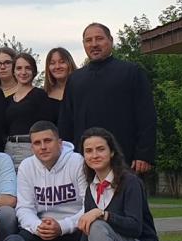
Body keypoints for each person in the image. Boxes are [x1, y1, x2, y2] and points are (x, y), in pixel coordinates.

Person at [58, 23, 157, 172]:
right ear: (84, 44)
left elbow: (146, 115)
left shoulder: (131, 72)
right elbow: (66, 122)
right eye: (88, 40)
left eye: (99, 39)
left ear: (110, 40)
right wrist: (66, 157)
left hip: (125, 158)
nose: (94, 44)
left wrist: (144, 154)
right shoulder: (75, 79)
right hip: (83, 161)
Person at [17, 121, 88, 241]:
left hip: (76, 230)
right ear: (32, 147)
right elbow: (24, 207)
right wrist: (38, 226)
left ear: (60, 143)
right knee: (22, 239)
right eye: (37, 143)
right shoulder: (26, 166)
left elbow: (90, 206)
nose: (43, 147)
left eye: (47, 141)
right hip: (46, 232)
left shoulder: (77, 162)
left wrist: (62, 226)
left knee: (94, 228)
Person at [0, 52, 50, 168]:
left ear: (34, 71)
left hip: (30, 148)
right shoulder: (8, 100)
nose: (23, 72)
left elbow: (45, 125)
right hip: (9, 149)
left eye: (28, 68)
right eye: (19, 68)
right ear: (14, 71)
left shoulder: (40, 95)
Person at [43, 46, 77, 128]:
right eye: (52, 63)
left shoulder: (81, 90)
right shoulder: (44, 95)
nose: (57, 67)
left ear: (70, 64)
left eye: (62, 62)